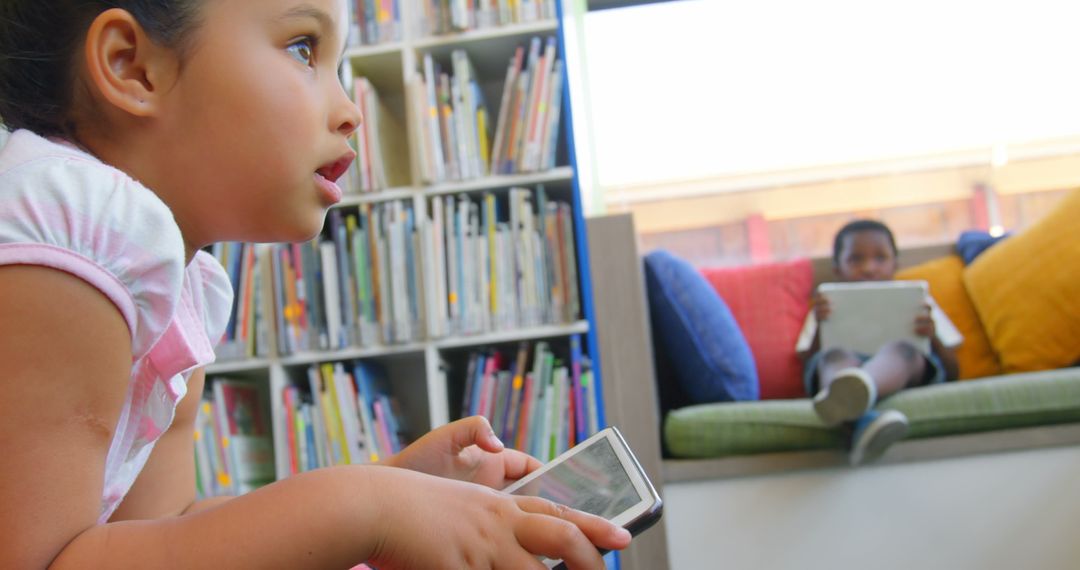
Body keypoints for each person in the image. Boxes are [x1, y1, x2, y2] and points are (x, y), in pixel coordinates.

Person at [0, 1, 631, 568]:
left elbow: (160, 535)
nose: (352, 110)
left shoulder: (181, 280)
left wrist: (397, 489)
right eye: (304, 48)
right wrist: (367, 507)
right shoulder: (67, 229)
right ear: (133, 67)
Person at [795, 220, 962, 466]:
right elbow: (808, 363)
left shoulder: (918, 303)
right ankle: (865, 418)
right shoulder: (826, 307)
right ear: (838, 268)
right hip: (845, 367)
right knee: (833, 357)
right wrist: (822, 326)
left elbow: (954, 371)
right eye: (855, 259)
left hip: (904, 371)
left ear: (895, 263)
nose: (869, 268)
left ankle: (861, 388)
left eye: (880, 258)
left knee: (901, 350)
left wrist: (932, 336)